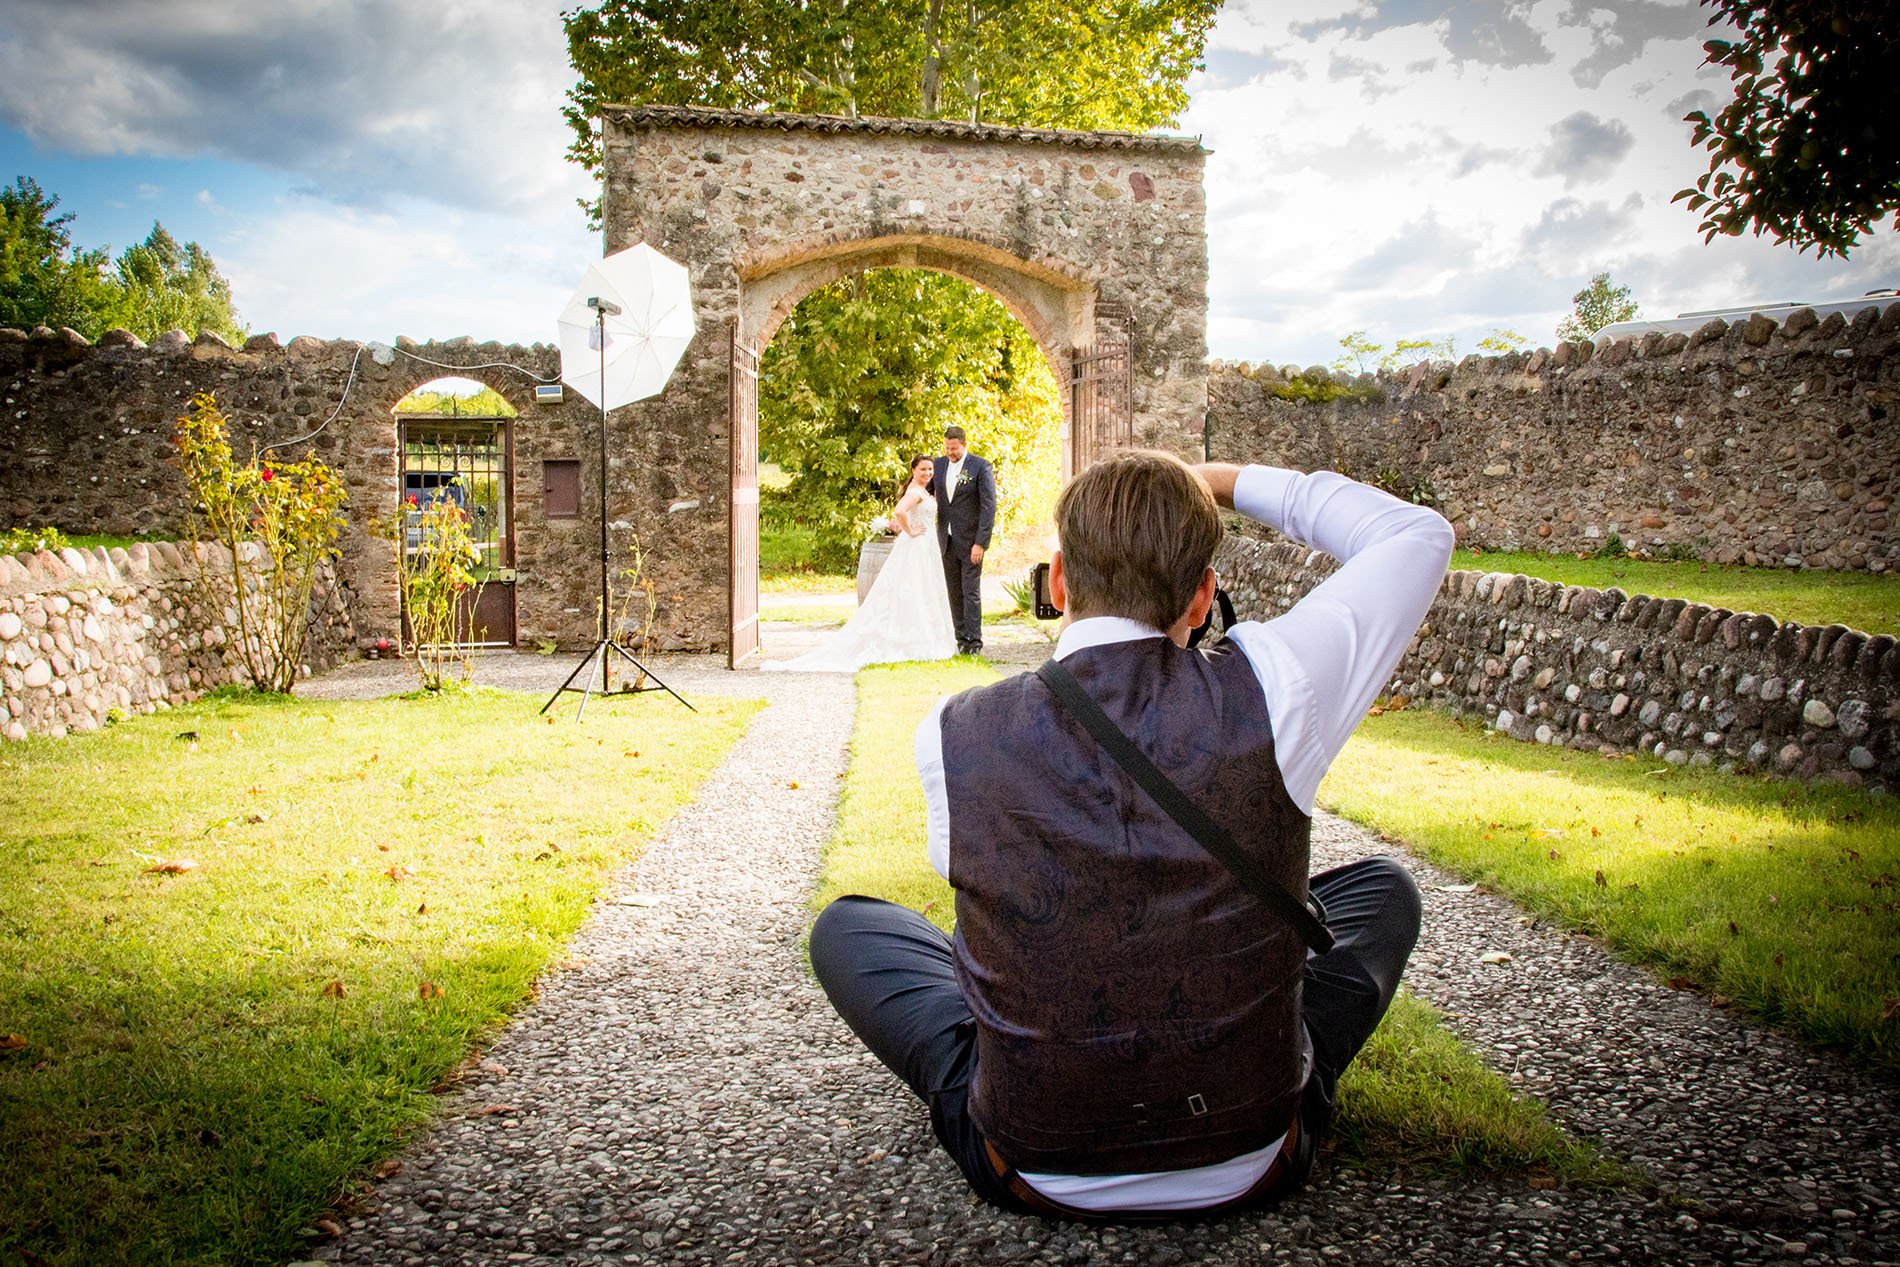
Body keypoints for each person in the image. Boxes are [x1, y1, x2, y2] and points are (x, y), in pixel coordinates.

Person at [808, 450, 1455, 1218]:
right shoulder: (1278, 685)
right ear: (1202, 595)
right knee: (1382, 891)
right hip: (1253, 1153)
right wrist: (1215, 478)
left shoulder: (952, 733)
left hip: (1029, 1162)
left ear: (1057, 582)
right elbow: (1415, 535)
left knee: (849, 927)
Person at [765, 456, 957, 673]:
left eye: (930, 469)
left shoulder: (921, 491)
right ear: (913, 470)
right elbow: (899, 511)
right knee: (915, 590)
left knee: (921, 591)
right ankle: (913, 641)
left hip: (924, 546)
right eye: (923, 469)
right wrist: (910, 530)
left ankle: (921, 637)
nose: (927, 473)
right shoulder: (915, 492)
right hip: (917, 546)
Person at [932, 426, 996, 656]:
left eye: (954, 448)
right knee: (953, 591)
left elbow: (989, 507)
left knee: (971, 591)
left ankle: (974, 641)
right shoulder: (938, 465)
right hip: (945, 539)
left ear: (964, 444)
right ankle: (960, 637)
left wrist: (981, 542)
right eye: (947, 448)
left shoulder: (980, 466)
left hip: (971, 541)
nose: (950, 452)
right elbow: (926, 491)